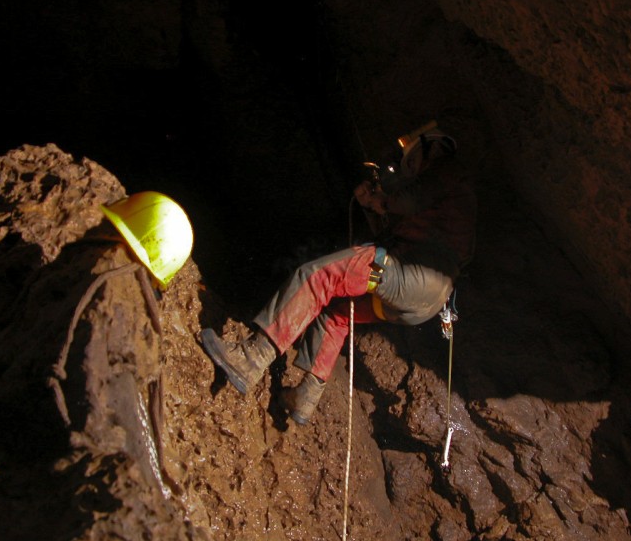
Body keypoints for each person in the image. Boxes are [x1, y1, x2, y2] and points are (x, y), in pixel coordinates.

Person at [200, 123, 477, 425]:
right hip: (427, 301)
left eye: (411, 161)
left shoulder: (448, 168)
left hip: (412, 273)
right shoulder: (449, 208)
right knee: (336, 314)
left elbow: (407, 200)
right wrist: (373, 205)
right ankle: (305, 397)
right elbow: (393, 228)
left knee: (317, 275)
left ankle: (252, 357)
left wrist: (382, 198)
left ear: (433, 147)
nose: (408, 170)